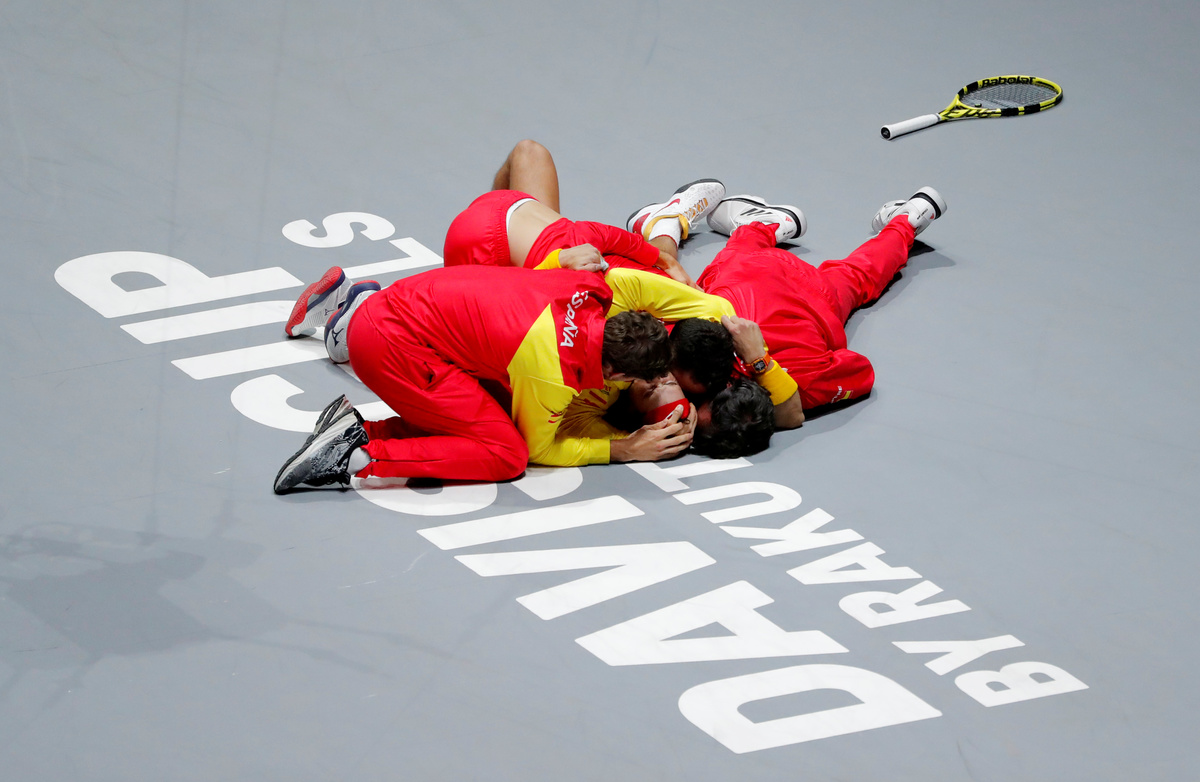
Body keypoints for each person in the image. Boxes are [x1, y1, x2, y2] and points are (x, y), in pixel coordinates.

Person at [273, 265, 698, 493]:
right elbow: (540, 449)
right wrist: (621, 449)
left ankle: (356, 429)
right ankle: (354, 454)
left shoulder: (590, 289)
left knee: (494, 414)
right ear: (617, 373)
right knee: (506, 452)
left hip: (401, 303)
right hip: (389, 345)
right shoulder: (552, 373)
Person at [668, 188, 949, 457]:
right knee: (737, 257)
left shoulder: (805, 384)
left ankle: (907, 219)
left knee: (861, 274)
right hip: (763, 274)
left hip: (814, 297)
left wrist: (806, 364)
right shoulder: (696, 345)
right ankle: (761, 225)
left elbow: (859, 370)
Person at [442, 139, 724, 289]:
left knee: (529, 151)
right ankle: (666, 225)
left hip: (505, 224)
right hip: (503, 232)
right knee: (529, 151)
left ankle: (666, 227)